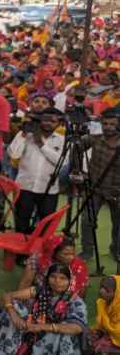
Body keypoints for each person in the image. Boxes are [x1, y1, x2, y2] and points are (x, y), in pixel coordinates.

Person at [0, 263, 86, 355]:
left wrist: (43, 327)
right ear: (47, 278)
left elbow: (77, 327)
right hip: (31, 329)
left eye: (63, 278)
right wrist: (15, 317)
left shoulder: (75, 301)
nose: (57, 281)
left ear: (70, 281)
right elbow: (8, 296)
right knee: (14, 306)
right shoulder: (40, 290)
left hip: (52, 338)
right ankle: (8, 349)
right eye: (53, 276)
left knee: (65, 330)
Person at [8, 107, 63, 234]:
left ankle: (39, 252)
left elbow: (61, 162)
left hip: (49, 189)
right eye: (45, 120)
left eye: (53, 121)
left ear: (59, 124)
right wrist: (23, 135)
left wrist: (40, 144)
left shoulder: (62, 140)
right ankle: (20, 252)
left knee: (45, 226)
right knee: (21, 223)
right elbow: (14, 155)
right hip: (24, 187)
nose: (48, 123)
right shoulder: (25, 135)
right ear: (39, 120)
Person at [80, 107, 120, 261]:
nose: (108, 127)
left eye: (112, 124)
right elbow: (76, 147)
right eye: (105, 123)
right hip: (95, 188)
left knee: (118, 224)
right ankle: (87, 251)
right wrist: (78, 170)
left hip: (117, 191)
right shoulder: (94, 139)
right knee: (87, 220)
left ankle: (116, 250)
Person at [18, 237, 89, 299]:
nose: (71, 257)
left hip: (66, 300)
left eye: (73, 254)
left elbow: (81, 292)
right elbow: (25, 283)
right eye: (65, 254)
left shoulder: (78, 266)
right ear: (53, 253)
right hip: (41, 294)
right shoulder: (38, 259)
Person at [88, 276, 120, 354]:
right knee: (87, 338)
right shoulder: (101, 302)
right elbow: (101, 324)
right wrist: (99, 331)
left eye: (107, 290)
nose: (101, 291)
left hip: (117, 337)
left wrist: (106, 334)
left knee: (100, 348)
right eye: (102, 286)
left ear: (117, 293)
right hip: (108, 331)